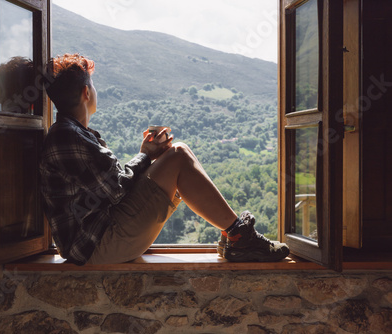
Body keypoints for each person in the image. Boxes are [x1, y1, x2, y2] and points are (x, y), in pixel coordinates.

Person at [40, 53, 289, 265]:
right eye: (93, 85)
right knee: (178, 155)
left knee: (177, 153)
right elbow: (116, 189)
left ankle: (234, 235)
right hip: (97, 246)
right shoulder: (67, 137)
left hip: (99, 237)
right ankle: (239, 238)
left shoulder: (71, 134)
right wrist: (146, 156)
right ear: (86, 92)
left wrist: (149, 158)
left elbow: (110, 187)